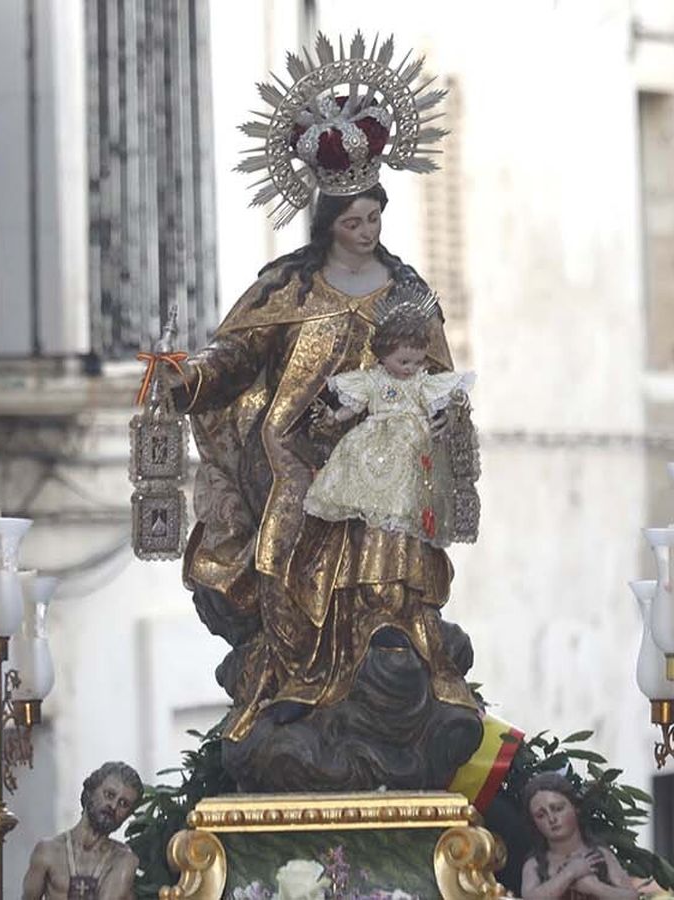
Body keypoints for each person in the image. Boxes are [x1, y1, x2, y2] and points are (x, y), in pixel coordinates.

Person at [151, 33, 474, 742]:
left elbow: (442, 382)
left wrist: (439, 423)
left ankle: (382, 676)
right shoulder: (288, 288)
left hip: (386, 471)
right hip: (297, 463)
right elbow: (235, 354)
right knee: (282, 568)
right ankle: (295, 680)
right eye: (353, 221)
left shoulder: (408, 291)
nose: (367, 231)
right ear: (328, 223)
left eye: (375, 217)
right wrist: (189, 379)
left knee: (387, 595)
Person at [303, 284, 475, 544]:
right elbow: (353, 407)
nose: (410, 368)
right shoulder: (372, 380)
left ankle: (401, 516)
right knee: (355, 454)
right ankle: (369, 511)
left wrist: (446, 414)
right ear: (383, 355)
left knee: (407, 469)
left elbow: (440, 401)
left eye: (417, 361)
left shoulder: (420, 382)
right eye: (403, 362)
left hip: (410, 441)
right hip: (373, 437)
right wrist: (333, 417)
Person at [21, 762, 143, 900]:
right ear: (90, 792)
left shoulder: (123, 861)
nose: (113, 806)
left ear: (128, 814)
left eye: (123, 804)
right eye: (109, 795)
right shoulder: (48, 851)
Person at [519, 772, 639, 900]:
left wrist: (594, 887)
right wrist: (570, 873)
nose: (552, 819)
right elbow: (529, 897)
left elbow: (631, 896)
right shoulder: (536, 864)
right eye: (541, 815)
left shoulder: (600, 855)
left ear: (575, 807)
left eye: (558, 809)